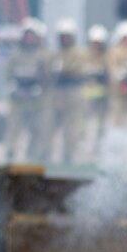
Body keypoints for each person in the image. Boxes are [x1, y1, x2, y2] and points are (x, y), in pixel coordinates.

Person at [5, 17, 50, 161]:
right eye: (27, 35)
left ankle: (33, 158)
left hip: (37, 101)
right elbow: (7, 76)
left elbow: (48, 78)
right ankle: (10, 154)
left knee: (37, 131)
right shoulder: (15, 55)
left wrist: (38, 90)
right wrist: (14, 89)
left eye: (32, 36)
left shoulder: (43, 55)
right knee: (14, 129)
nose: (29, 39)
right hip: (18, 100)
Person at [47, 18, 86, 164]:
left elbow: (75, 71)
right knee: (50, 126)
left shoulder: (78, 54)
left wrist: (63, 72)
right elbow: (50, 72)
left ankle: (68, 156)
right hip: (57, 94)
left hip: (73, 93)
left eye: (67, 36)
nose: (65, 39)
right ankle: (47, 154)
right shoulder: (55, 54)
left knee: (71, 129)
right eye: (63, 36)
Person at [82, 25, 111, 153]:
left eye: (99, 43)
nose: (97, 45)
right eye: (95, 43)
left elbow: (110, 74)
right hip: (87, 98)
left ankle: (99, 146)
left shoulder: (107, 57)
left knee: (101, 124)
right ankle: (83, 144)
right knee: (84, 123)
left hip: (102, 97)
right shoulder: (85, 56)